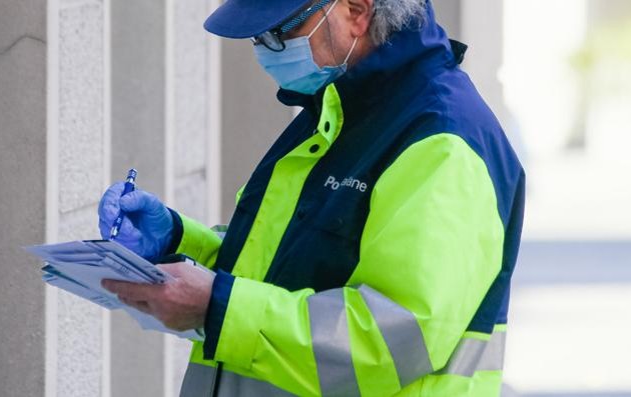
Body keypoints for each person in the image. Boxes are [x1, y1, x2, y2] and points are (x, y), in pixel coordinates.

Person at [97, 0, 525, 395]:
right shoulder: (342, 107)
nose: (266, 50)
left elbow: (388, 339)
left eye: (280, 32)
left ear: (356, 11)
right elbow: (291, 265)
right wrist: (179, 241)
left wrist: (217, 306)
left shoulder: (443, 142)